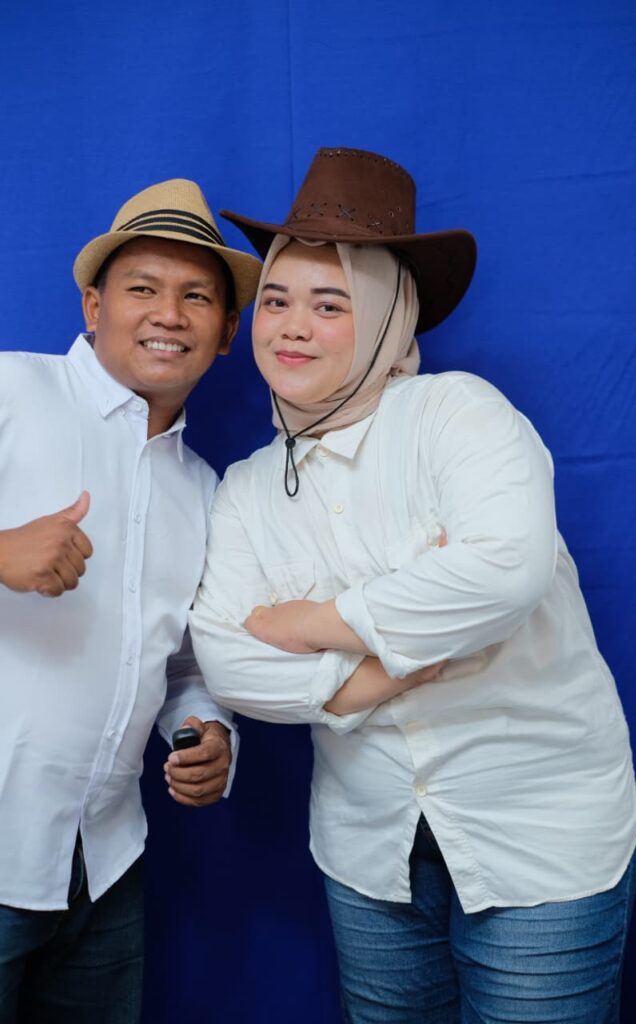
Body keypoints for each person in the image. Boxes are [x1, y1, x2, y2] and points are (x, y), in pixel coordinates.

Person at [189, 147, 636, 1024]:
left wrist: (311, 621)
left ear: (388, 319)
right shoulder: (247, 488)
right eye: (276, 300)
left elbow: (505, 571)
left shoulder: (458, 414)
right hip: (370, 853)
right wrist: (382, 673)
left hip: (540, 837)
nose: (293, 327)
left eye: (332, 305)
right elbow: (228, 660)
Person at [0, 178, 261, 1024]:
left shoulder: (204, 488)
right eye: (143, 288)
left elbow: (181, 661)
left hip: (106, 864)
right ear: (93, 307)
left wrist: (208, 726)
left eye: (198, 297)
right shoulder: (11, 391)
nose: (169, 315)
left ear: (227, 332)